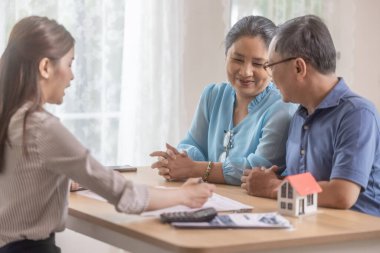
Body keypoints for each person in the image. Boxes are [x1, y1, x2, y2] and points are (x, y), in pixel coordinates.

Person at [0, 16, 215, 252]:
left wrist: (58, 182)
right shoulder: (42, 128)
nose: (72, 76)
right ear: (45, 67)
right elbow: (124, 195)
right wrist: (184, 195)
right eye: (70, 64)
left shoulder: (9, 118)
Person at [241, 15, 380, 217]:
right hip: (313, 225)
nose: (270, 78)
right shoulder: (300, 115)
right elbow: (307, 182)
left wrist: (273, 187)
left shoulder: (358, 114)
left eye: (270, 66)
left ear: (299, 67)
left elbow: (342, 194)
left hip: (357, 238)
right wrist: (277, 178)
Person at [150, 16, 296, 185]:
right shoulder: (213, 94)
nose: (246, 71)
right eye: (238, 59)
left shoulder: (283, 108)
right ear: (226, 56)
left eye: (258, 64)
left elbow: (256, 170)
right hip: (208, 196)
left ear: (272, 66)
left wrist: (192, 169)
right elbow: (193, 144)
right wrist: (176, 161)